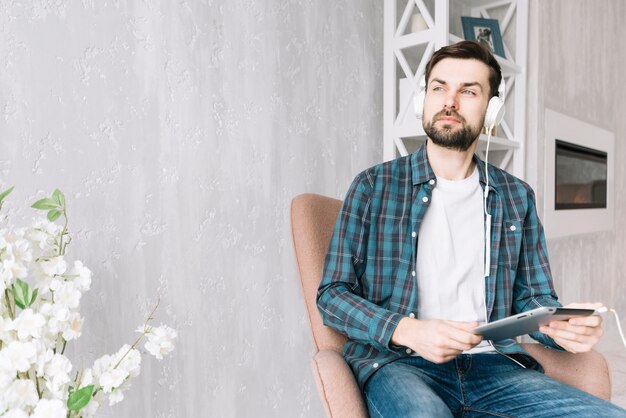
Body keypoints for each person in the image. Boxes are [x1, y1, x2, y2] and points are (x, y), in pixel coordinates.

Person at [316, 41, 626, 417]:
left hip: (495, 367)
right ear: (423, 101)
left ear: (492, 109)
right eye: (439, 87)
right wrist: (407, 330)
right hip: (400, 366)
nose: (450, 101)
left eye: (468, 91)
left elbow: (534, 299)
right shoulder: (373, 187)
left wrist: (561, 328)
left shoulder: (516, 196)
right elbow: (332, 295)